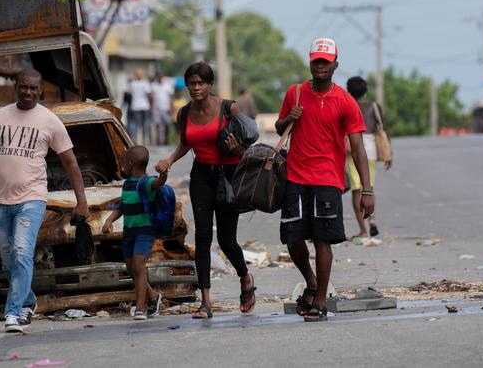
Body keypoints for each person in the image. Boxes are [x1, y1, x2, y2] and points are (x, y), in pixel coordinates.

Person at [0, 69, 89, 333]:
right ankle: (27, 301)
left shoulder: (50, 121)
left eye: (34, 88)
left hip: (32, 198)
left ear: (41, 89)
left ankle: (13, 313)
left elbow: (70, 162)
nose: (28, 92)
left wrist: (82, 201)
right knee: (9, 259)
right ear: (17, 87)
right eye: (24, 87)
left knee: (22, 252)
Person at [275, 38, 374, 322]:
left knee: (322, 240)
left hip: (328, 178)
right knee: (292, 238)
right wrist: (288, 118)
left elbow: (358, 148)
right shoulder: (295, 93)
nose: (320, 66)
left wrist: (367, 189)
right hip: (295, 174)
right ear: (310, 63)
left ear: (335, 65)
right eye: (316, 61)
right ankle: (312, 282)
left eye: (325, 62)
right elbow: (280, 127)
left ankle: (320, 300)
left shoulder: (345, 101)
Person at [155, 62, 256, 319]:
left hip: (229, 176)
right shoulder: (184, 113)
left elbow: (249, 142)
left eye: (201, 83)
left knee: (227, 240)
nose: (197, 87)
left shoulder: (228, 108)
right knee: (202, 238)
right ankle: (206, 302)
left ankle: (245, 277)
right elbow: (185, 143)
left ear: (210, 84)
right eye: (192, 83)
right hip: (201, 175)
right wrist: (169, 160)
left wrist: (236, 150)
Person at [102, 145, 166, 320]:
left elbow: (159, 183)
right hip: (129, 232)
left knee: (139, 265)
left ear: (130, 163)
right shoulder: (127, 184)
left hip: (145, 231)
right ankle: (153, 297)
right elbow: (123, 206)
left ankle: (140, 308)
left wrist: (163, 174)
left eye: (123, 163)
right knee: (131, 269)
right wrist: (109, 220)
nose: (122, 167)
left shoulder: (146, 182)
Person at [346, 76, 391, 238]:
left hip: (352, 148)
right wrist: (389, 153)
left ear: (349, 91)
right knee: (368, 187)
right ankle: (372, 220)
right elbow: (383, 129)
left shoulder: (348, 106)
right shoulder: (374, 107)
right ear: (365, 91)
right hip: (371, 150)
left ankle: (363, 230)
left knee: (356, 189)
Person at [126, 69, 153, 144]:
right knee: (144, 124)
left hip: (135, 106)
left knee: (136, 124)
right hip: (145, 106)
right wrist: (151, 104)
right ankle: (144, 140)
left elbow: (128, 94)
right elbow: (149, 94)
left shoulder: (132, 84)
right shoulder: (145, 83)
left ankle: (136, 140)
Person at [150, 73, 174, 145]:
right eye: (159, 77)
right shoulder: (153, 85)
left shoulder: (167, 85)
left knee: (167, 124)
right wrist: (151, 106)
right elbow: (151, 97)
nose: (160, 78)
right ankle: (158, 140)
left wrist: (171, 108)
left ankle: (166, 139)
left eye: (161, 77)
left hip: (166, 108)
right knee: (157, 124)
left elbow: (170, 98)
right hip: (156, 108)